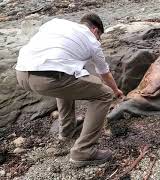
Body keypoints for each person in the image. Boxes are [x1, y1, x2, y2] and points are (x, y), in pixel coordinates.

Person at [15, 13, 124, 167]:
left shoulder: (56, 23)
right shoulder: (92, 41)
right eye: (99, 36)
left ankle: (67, 131)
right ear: (95, 30)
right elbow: (104, 72)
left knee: (68, 76)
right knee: (104, 94)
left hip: (21, 73)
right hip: (48, 77)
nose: (98, 40)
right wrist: (116, 90)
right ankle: (84, 151)